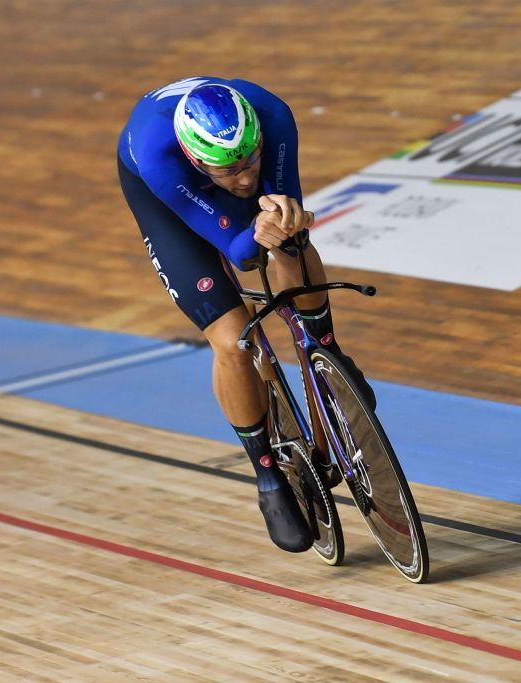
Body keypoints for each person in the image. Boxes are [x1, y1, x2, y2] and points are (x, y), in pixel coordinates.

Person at [117, 77, 374, 554]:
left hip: (230, 156)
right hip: (170, 201)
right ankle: (268, 477)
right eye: (228, 169)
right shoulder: (159, 159)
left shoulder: (272, 115)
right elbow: (238, 251)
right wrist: (250, 228)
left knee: (290, 234)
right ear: (198, 160)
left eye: (250, 160)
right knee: (235, 340)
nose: (244, 178)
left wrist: (282, 218)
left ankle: (325, 349)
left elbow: (283, 207)